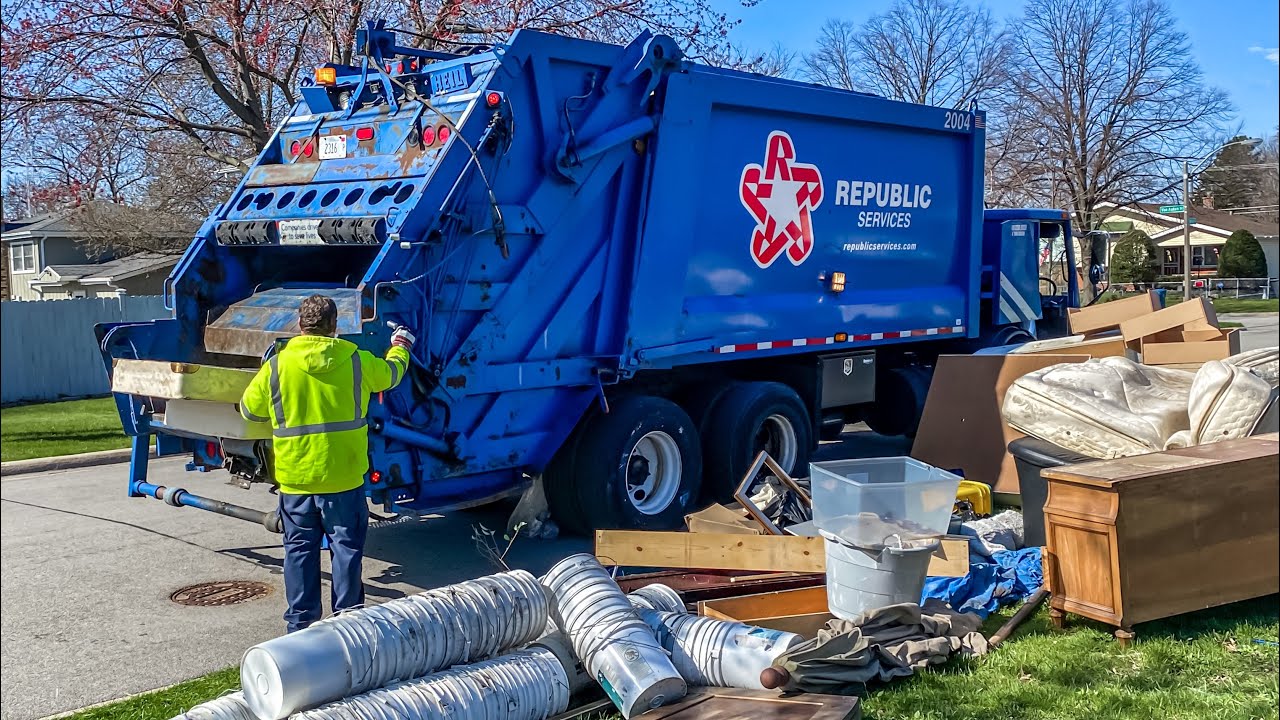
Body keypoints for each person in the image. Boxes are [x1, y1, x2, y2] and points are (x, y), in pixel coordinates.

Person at [239, 294, 413, 632]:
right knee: (346, 552)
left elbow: (249, 410)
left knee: (299, 553)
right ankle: (349, 625)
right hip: (343, 478)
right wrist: (400, 345)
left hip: (296, 481)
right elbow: (391, 375)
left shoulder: (278, 366)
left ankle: (300, 628)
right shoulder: (357, 361)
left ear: (299, 325)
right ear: (335, 326)